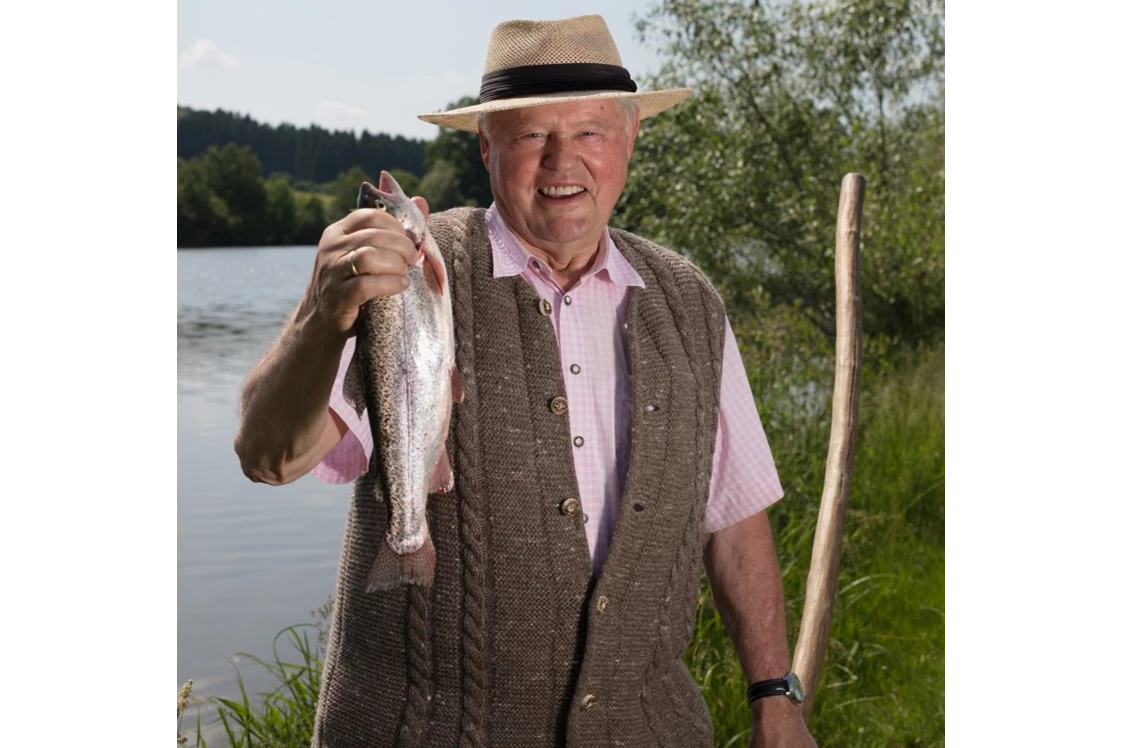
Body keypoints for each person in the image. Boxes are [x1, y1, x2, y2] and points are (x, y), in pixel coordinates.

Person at [233, 13, 818, 748]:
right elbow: (267, 456)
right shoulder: (408, 271)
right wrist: (319, 318)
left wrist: (774, 696)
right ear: (487, 147)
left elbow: (734, 514)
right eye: (532, 135)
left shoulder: (689, 298)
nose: (561, 162)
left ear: (630, 139)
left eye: (590, 132)